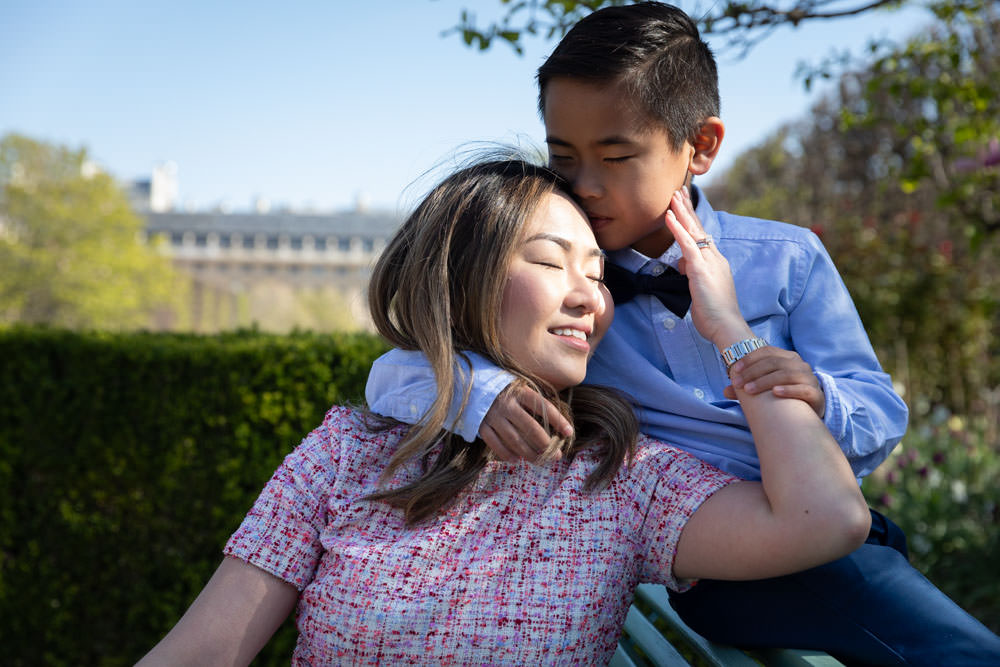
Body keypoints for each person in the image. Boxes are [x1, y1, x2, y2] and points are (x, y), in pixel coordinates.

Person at [365, 4, 1000, 665]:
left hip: (815, 521)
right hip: (695, 552)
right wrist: (482, 390)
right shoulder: (566, 289)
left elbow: (879, 412)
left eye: (616, 156)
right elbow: (400, 367)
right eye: (563, 157)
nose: (584, 184)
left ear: (700, 146)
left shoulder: (787, 260)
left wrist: (819, 396)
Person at [137, 158, 871, 666]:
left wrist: (734, 334)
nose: (589, 294)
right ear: (462, 277)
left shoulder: (622, 477)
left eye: (598, 273)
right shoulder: (347, 453)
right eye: (552, 263)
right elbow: (205, 649)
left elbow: (827, 518)